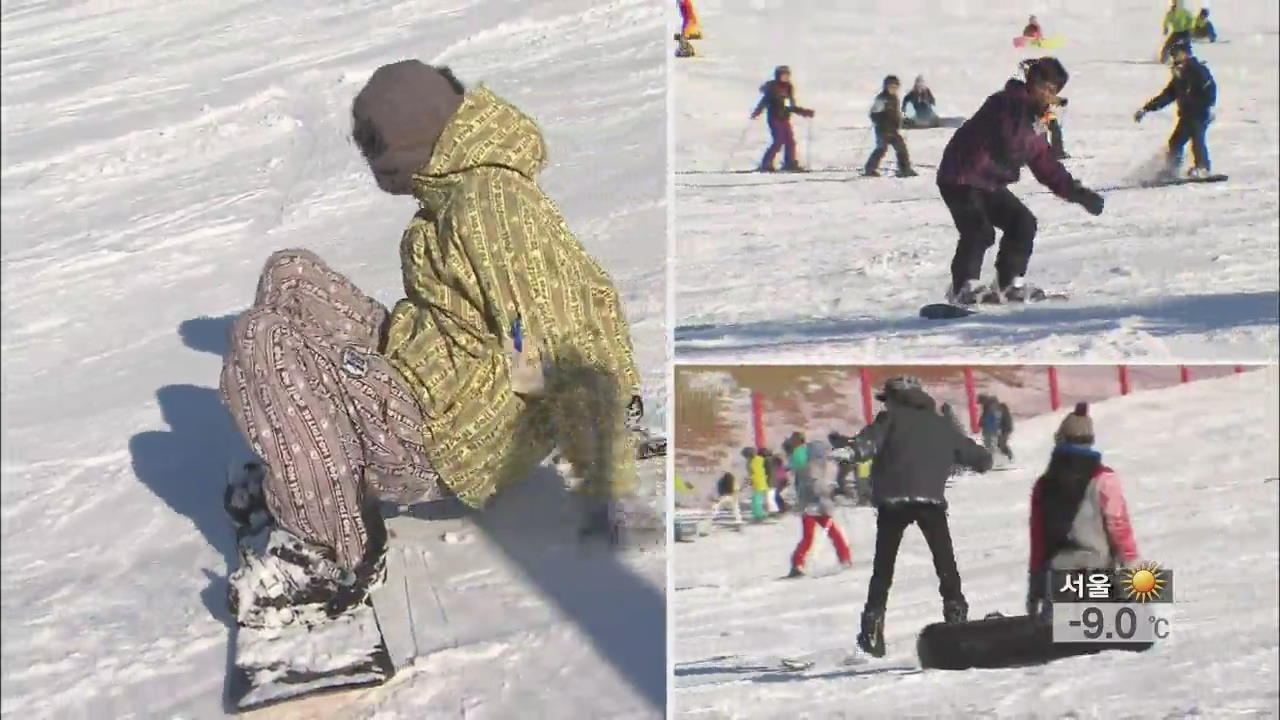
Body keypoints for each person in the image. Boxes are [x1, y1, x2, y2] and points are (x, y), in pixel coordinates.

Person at [220, 61, 647, 624]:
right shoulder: (466, 182)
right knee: (291, 273)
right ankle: (308, 471)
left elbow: (544, 333)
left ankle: (332, 549)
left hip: (445, 434)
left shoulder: (489, 208)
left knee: (262, 340)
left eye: (374, 148)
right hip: (429, 364)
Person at [831, 376, 992, 658]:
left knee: (883, 568)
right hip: (930, 500)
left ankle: (872, 628)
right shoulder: (940, 424)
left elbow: (867, 444)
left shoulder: (888, 419)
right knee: (945, 562)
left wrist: (850, 451)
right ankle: (956, 615)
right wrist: (982, 458)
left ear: (895, 398)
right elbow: (977, 457)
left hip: (892, 502)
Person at [936, 57, 1105, 306]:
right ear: (1031, 82)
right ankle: (963, 288)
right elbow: (1008, 139)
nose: (1048, 94)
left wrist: (1078, 193)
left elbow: (1045, 165)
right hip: (960, 177)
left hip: (988, 182)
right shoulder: (1005, 103)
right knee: (979, 230)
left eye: (1053, 91)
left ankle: (1009, 284)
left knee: (1023, 222)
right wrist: (1036, 119)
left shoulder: (1034, 121)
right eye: (1044, 87)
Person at [1026, 403, 1140, 619]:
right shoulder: (1104, 480)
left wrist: (1035, 589)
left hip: (1058, 579)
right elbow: (1119, 528)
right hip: (1096, 578)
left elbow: (1038, 541)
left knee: (1060, 636)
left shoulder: (1044, 484)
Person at [1134, 40, 1217, 179]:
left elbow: (1210, 89)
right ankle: (1172, 169)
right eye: (1173, 55)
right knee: (1175, 142)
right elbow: (1168, 94)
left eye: (1176, 54)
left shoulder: (1196, 69)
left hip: (1199, 113)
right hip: (1186, 115)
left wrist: (1208, 106)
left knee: (1197, 139)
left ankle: (1203, 167)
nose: (1174, 57)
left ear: (1185, 53)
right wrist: (1147, 108)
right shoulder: (1179, 72)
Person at [787, 439, 853, 577]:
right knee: (819, 535)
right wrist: (827, 495)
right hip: (813, 506)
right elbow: (814, 486)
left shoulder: (817, 466)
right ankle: (798, 563)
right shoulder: (811, 467)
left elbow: (822, 485)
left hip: (816, 506)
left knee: (824, 534)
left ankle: (844, 557)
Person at [751, 66, 815, 172]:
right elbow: (765, 101)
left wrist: (804, 112)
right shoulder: (773, 88)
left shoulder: (788, 87)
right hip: (774, 118)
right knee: (778, 141)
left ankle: (790, 163)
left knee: (790, 141)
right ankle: (766, 164)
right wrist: (757, 111)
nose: (785, 77)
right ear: (778, 76)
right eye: (783, 75)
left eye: (787, 75)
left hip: (785, 118)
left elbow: (791, 105)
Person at [864, 75, 916, 177]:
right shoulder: (882, 98)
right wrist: (880, 121)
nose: (893, 89)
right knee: (881, 149)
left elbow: (895, 113)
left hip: (892, 129)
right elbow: (873, 113)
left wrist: (900, 121)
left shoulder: (894, 98)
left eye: (895, 87)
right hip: (883, 129)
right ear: (886, 87)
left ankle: (905, 169)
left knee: (901, 148)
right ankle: (870, 169)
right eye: (891, 87)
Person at [744, 447, 770, 521]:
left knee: (756, 499)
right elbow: (766, 468)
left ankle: (758, 515)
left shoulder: (749, 463)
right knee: (760, 499)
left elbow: (750, 473)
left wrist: (748, 481)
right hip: (763, 480)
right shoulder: (761, 459)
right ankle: (761, 513)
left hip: (756, 482)